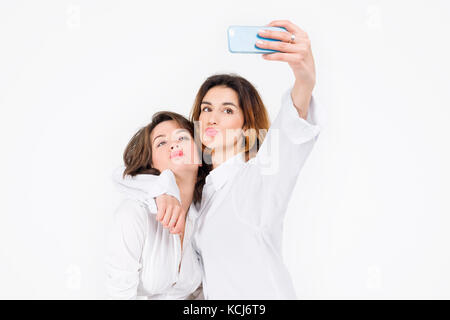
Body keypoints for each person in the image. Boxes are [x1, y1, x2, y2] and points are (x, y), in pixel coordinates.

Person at [115, 20, 325, 299]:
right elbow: (125, 175)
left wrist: (304, 80)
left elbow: (288, 134)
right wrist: (161, 189)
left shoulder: (259, 177)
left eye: (227, 111)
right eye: (206, 109)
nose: (212, 117)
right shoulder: (200, 197)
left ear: (247, 127)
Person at [105, 111, 208, 299]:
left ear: (200, 155)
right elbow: (119, 293)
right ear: (152, 161)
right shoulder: (134, 213)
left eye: (183, 137)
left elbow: (202, 291)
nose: (174, 144)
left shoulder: (203, 215)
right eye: (161, 142)